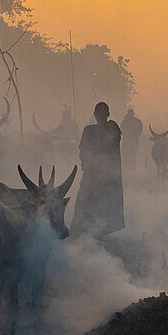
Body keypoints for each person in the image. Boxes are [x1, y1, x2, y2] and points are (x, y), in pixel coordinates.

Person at [71, 102, 125, 238]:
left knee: (105, 207)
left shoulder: (112, 129)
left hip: (107, 177)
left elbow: (114, 141)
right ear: (94, 115)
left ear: (107, 115)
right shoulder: (89, 131)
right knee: (83, 206)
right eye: (98, 114)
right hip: (91, 175)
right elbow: (83, 151)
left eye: (102, 114)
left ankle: (99, 236)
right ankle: (78, 234)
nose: (100, 117)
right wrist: (86, 165)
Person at [120, 108, 143, 172]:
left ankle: (131, 171)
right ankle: (128, 171)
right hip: (127, 143)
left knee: (132, 158)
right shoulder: (125, 122)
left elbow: (140, 131)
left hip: (132, 143)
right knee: (127, 159)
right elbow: (122, 130)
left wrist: (133, 134)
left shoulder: (135, 122)